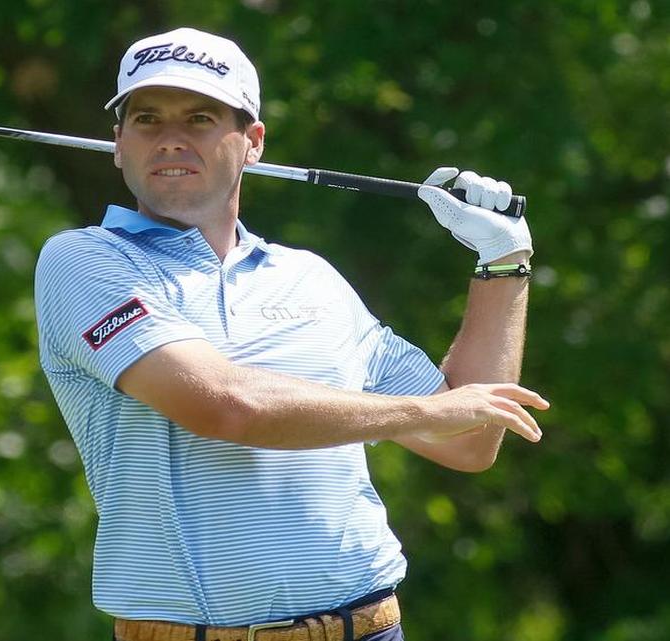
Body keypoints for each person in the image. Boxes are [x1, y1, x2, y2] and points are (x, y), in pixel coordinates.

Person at [34, 27, 548, 641]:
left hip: (368, 626)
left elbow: (467, 440)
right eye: (146, 119)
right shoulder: (84, 262)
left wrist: (503, 262)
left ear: (252, 142)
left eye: (200, 117)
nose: (171, 138)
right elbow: (225, 406)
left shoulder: (310, 278)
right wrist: (420, 409)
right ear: (118, 144)